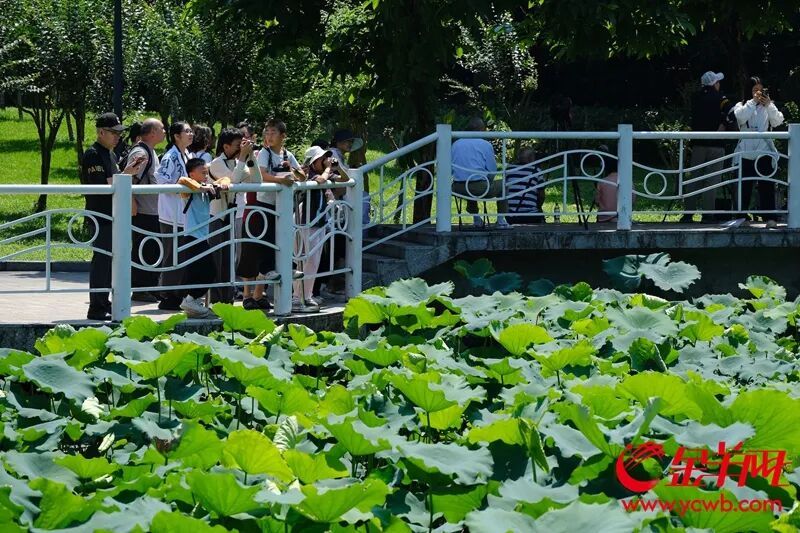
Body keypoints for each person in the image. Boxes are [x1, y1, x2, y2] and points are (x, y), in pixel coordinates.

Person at [81, 113, 145, 321]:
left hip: (112, 214)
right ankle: (96, 307)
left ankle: (103, 302)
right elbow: (103, 187)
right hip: (101, 215)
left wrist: (127, 172)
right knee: (102, 261)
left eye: (120, 133)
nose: (118, 136)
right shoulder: (93, 154)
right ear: (101, 132)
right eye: (114, 132)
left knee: (110, 261)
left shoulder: (110, 154)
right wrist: (125, 173)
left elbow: (114, 183)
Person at [236, 119, 303, 311]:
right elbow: (262, 175)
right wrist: (281, 180)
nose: (269, 136)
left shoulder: (287, 155)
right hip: (259, 206)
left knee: (270, 249)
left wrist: (291, 171)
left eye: (273, 132)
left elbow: (301, 175)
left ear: (283, 136)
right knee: (252, 250)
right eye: (267, 132)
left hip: (277, 208)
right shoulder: (263, 153)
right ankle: (247, 295)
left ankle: (259, 294)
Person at [293, 146, 349, 312]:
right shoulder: (309, 174)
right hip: (307, 221)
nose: (325, 160)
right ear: (313, 162)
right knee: (305, 261)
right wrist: (327, 170)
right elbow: (319, 181)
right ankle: (298, 297)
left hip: (319, 221)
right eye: (322, 158)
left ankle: (306, 295)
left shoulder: (326, 172)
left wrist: (337, 168)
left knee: (314, 261)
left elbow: (344, 179)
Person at [208, 127, 259, 303]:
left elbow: (257, 181)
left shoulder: (237, 162)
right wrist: (243, 158)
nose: (240, 148)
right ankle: (215, 300)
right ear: (226, 146)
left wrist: (251, 158)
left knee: (229, 260)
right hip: (217, 216)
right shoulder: (216, 163)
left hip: (232, 215)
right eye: (238, 145)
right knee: (217, 260)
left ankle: (226, 299)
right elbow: (233, 181)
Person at [176, 158, 230, 317]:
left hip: (202, 237)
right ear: (192, 173)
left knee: (201, 272)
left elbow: (226, 179)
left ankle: (192, 301)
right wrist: (200, 188)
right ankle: (190, 300)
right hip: (192, 237)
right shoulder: (188, 189)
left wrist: (221, 184)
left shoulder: (207, 188)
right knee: (208, 271)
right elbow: (182, 180)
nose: (206, 175)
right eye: (203, 172)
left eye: (207, 172)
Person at [733, 76, 785, 228]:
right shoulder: (741, 105)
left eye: (760, 91)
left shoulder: (768, 106)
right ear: (749, 91)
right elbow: (740, 118)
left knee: (766, 185)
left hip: (763, 150)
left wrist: (769, 105)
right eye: (755, 90)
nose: (758, 93)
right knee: (744, 185)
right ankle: (741, 216)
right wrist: (753, 102)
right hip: (745, 151)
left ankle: (770, 217)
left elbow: (778, 121)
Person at [155, 121, 194, 309]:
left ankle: (178, 293)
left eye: (191, 131)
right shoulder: (170, 156)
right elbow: (161, 180)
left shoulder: (187, 155)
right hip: (171, 214)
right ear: (176, 136)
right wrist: (181, 187)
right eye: (187, 131)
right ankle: (168, 295)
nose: (191, 134)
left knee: (182, 254)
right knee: (172, 254)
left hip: (183, 214)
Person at [127, 118, 166, 302]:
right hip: (143, 211)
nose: (164, 131)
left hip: (153, 210)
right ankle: (141, 288)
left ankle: (151, 286)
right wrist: (132, 201)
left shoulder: (150, 151)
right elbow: (129, 178)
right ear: (152, 133)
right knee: (144, 249)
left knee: (153, 249)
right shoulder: (140, 152)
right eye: (161, 129)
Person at [682, 71, 729, 223]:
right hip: (716, 144)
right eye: (718, 82)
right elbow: (732, 113)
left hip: (698, 144)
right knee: (711, 180)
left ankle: (688, 214)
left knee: (694, 178)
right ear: (714, 83)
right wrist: (723, 124)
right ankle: (707, 215)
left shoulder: (695, 97)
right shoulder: (720, 98)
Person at [451, 117, 510, 229]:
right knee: (504, 184)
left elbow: (449, 169)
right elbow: (492, 170)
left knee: (470, 181)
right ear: (481, 129)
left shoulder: (456, 144)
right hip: (478, 187)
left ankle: (476, 218)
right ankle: (501, 219)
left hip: (457, 188)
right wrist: (489, 181)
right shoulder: (484, 144)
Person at [505, 148, 545, 224]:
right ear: (531, 158)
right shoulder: (537, 170)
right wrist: (538, 206)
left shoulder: (509, 169)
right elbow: (541, 196)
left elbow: (505, 189)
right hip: (530, 215)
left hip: (511, 216)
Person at [595, 152, 620, 223]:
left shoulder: (602, 182)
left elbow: (597, 201)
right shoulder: (628, 182)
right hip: (623, 215)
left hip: (604, 217)